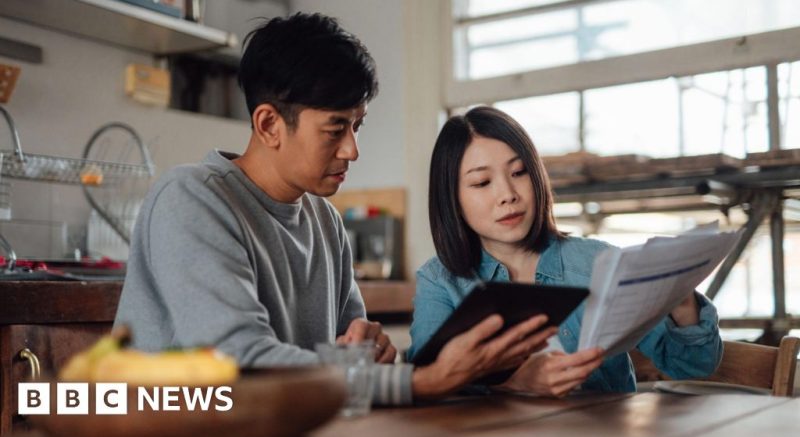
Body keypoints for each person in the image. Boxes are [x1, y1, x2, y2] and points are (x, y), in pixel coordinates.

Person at [114, 13, 554, 405]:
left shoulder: (324, 221)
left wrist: (371, 350)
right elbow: (239, 363)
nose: (353, 150)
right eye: (336, 128)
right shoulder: (191, 198)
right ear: (269, 124)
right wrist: (420, 382)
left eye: (357, 125)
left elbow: (352, 349)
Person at [407, 106, 723, 397]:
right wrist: (514, 383)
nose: (508, 195)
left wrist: (682, 302)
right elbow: (427, 385)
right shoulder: (440, 281)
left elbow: (693, 367)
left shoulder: (599, 263)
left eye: (519, 173)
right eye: (482, 182)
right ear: (452, 199)